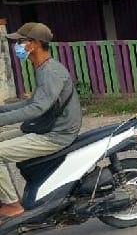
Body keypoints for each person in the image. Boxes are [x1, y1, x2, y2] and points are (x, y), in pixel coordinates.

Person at [0, 23, 81, 219]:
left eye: (21, 41)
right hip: (46, 127)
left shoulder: (50, 72)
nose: (17, 46)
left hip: (56, 134)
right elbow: (31, 103)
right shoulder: (43, 68)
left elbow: (37, 108)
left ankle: (12, 205)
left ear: (35, 43)